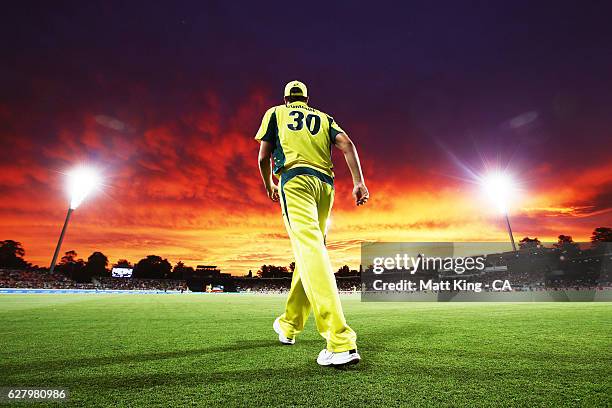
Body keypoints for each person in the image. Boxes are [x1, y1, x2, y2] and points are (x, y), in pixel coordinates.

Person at [255, 80, 369, 367]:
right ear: (306, 99)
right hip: (325, 186)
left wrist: (269, 182)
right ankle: (289, 324)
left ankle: (339, 340)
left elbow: (263, 156)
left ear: (285, 98)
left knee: (310, 251)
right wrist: (359, 182)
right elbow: (347, 145)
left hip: (295, 181)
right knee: (310, 250)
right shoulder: (324, 118)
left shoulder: (276, 113)